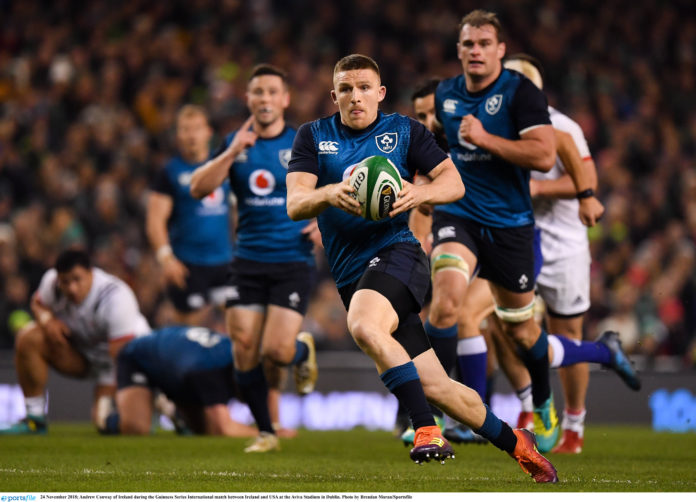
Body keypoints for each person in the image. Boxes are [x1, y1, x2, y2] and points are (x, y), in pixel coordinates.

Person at [286, 53, 558, 483]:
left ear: (380, 94)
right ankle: (518, 443)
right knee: (437, 386)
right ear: (334, 96)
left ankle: (425, 428)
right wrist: (331, 193)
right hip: (351, 273)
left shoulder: (404, 131)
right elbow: (296, 202)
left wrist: (417, 193)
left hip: (399, 253)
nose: (354, 97)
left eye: (363, 88)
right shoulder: (312, 137)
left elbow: (454, 182)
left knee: (363, 326)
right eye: (345, 89)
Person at [429, 9, 560, 452]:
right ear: (459, 50)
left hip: (509, 226)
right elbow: (438, 145)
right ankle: (446, 411)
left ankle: (542, 399)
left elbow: (543, 156)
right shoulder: (445, 94)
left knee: (520, 329)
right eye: (468, 44)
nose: (476, 51)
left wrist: (485, 139)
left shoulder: (521, 93)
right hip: (458, 216)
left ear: (500, 50)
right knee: (446, 302)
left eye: (484, 43)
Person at [500, 54, 637, 453]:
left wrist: (540, 190)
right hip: (517, 239)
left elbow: (588, 181)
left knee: (566, 333)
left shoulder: (562, 127)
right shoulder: (499, 126)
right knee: (498, 322)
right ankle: (532, 405)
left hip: (564, 245)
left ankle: (574, 425)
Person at [189, 64, 318, 453]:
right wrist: (231, 152)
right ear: (248, 99)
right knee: (243, 346)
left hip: (292, 260)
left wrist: (326, 221)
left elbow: (337, 186)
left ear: (285, 99)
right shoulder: (235, 143)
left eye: (271, 92)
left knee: (275, 352)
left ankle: (301, 351)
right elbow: (198, 187)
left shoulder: (302, 142)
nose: (264, 99)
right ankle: (266, 432)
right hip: (246, 261)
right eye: (257, 92)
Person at [0, 248, 151, 434]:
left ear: (91, 274)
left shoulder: (116, 297)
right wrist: (48, 321)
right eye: (65, 282)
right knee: (28, 338)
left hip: (125, 362)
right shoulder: (52, 283)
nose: (71, 288)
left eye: (77, 279)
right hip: (84, 355)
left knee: (107, 422)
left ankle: (159, 405)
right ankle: (35, 420)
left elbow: (122, 357)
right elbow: (38, 304)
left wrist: (117, 399)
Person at [146, 105, 234, 326]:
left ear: (208, 132)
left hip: (225, 261)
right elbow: (155, 220)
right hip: (187, 266)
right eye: (185, 129)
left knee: (240, 331)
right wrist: (166, 259)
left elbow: (241, 210)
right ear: (178, 135)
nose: (191, 135)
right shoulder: (170, 172)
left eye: (196, 128)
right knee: (189, 331)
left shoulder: (224, 165)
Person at [108, 325, 264, 437]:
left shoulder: (227, 358)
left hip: (179, 371)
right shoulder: (212, 367)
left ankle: (174, 413)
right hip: (138, 357)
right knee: (137, 429)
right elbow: (223, 429)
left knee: (203, 431)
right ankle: (108, 419)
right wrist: (268, 433)